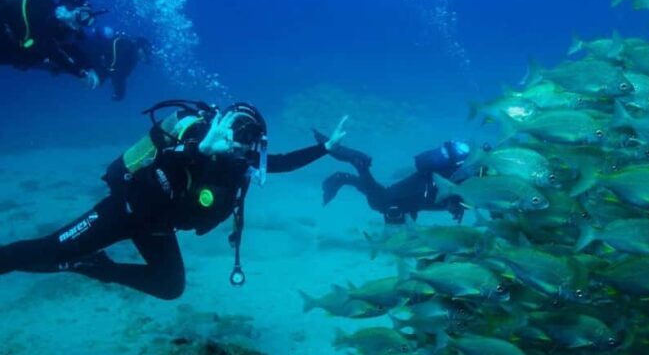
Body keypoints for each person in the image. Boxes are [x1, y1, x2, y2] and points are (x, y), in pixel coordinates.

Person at [0, 100, 348, 299]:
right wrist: (200, 149)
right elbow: (160, 169)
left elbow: (283, 163)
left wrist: (325, 149)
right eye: (237, 132)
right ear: (224, 125)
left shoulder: (239, 163)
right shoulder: (197, 137)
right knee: (46, 251)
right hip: (124, 211)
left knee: (170, 286)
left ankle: (93, 266)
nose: (240, 143)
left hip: (157, 227)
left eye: (251, 137)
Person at [320, 138, 472, 225]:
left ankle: (349, 174)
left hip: (415, 194)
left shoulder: (460, 182)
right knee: (379, 201)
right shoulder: (461, 185)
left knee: (381, 197)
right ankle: (359, 165)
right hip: (411, 194)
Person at [0, 0, 105, 89]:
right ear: (68, 10)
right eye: (83, 16)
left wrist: (88, 66)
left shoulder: (62, 28)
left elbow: (69, 47)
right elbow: (46, 46)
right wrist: (79, 72)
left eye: (88, 20)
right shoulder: (39, 7)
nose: (84, 22)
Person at [79, 25, 151, 100]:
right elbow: (119, 75)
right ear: (140, 47)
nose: (146, 55)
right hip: (88, 54)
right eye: (146, 50)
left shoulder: (130, 51)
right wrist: (120, 92)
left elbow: (117, 73)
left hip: (90, 55)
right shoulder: (129, 50)